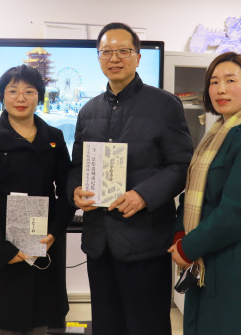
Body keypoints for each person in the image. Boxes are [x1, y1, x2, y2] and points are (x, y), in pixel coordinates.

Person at [67, 22, 193, 335]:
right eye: (106, 52)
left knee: (146, 326)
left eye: (123, 51)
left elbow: (181, 165)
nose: (115, 58)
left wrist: (143, 195)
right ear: (98, 58)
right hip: (99, 243)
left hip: (145, 241)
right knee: (106, 325)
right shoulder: (88, 111)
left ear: (137, 57)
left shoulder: (165, 105)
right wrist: (75, 190)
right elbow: (77, 165)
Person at [168, 52, 241, 335]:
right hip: (204, 257)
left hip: (234, 262)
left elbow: (238, 213)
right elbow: (192, 191)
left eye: (231, 80)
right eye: (214, 82)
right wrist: (180, 233)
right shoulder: (217, 135)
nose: (221, 89)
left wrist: (188, 247)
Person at [0, 64, 75, 335]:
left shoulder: (54, 137)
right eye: (13, 91)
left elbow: (67, 190)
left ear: (39, 96)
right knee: (6, 319)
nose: (21, 98)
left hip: (43, 241)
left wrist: (54, 232)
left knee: (42, 319)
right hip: (5, 243)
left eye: (29, 91)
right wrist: (1, 248)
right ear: (2, 96)